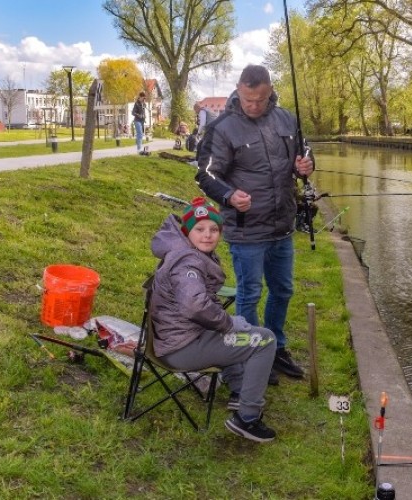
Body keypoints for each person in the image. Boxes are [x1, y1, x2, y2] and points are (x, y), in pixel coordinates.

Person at [195, 64, 313, 384]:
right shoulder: (223, 128)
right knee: (249, 292)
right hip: (247, 228)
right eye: (248, 99)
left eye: (260, 99)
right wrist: (230, 194)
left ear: (270, 90)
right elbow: (204, 174)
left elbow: (303, 155)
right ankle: (251, 354)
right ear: (239, 89)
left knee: (283, 290)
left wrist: (305, 164)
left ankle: (276, 347)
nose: (254, 106)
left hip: (282, 224)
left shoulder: (287, 119)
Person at [149, 197, 278, 442]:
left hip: (178, 338)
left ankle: (239, 390)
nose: (207, 235)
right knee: (265, 341)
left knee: (240, 330)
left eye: (213, 229)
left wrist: (229, 324)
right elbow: (194, 305)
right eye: (199, 229)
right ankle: (247, 418)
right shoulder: (188, 261)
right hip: (181, 348)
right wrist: (228, 324)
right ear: (186, 232)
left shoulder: (186, 251)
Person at [132, 91, 148, 155]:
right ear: (140, 97)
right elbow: (133, 112)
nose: (144, 99)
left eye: (145, 98)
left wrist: (144, 116)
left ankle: (138, 145)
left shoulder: (144, 104)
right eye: (143, 98)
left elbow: (143, 112)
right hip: (137, 121)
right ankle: (139, 149)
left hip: (142, 121)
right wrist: (139, 115)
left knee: (140, 135)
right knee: (140, 134)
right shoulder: (136, 104)